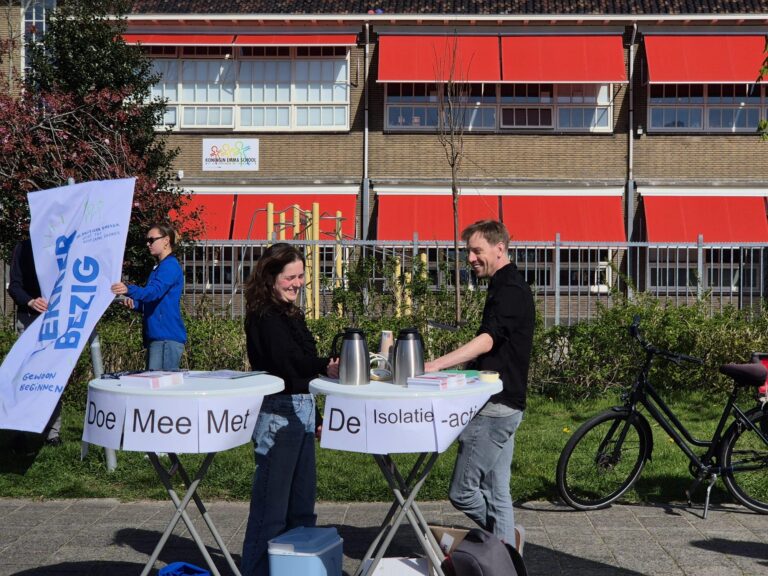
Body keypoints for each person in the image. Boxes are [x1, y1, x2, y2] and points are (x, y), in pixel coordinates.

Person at [424, 220, 535, 550]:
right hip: (505, 402)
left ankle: (506, 542)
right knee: (498, 492)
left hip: (496, 409)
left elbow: (488, 340)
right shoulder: (505, 285)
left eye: (476, 250)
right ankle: (506, 557)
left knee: (463, 491)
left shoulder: (510, 290)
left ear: (499, 248)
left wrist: (437, 364)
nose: (470, 258)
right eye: (467, 251)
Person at [240, 243, 339, 576]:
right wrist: (328, 365)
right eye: (291, 277)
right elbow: (288, 363)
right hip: (277, 414)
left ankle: (295, 569)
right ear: (271, 277)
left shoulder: (290, 313)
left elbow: (302, 372)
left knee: (302, 509)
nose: (297, 283)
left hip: (302, 409)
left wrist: (317, 415)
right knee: (271, 511)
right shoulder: (264, 316)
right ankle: (255, 571)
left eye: (301, 277)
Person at [110, 224, 186, 370]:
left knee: (160, 389)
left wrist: (128, 289)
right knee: (156, 387)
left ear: (166, 241)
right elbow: (154, 301)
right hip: (159, 338)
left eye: (151, 240)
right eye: (147, 240)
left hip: (165, 339)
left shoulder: (169, 266)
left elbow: (153, 292)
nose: (148, 244)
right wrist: (136, 304)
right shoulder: (160, 267)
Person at [8, 238, 60, 447]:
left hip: (53, 321)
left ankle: (53, 433)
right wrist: (30, 301)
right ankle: (22, 430)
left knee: (53, 375)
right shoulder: (23, 247)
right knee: (25, 377)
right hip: (28, 319)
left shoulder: (61, 245)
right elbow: (15, 285)